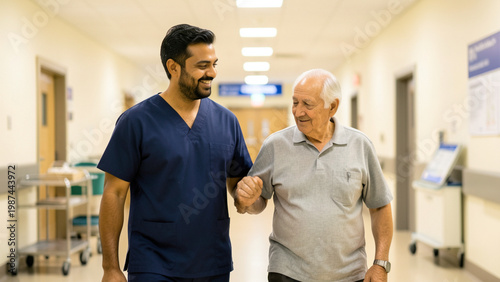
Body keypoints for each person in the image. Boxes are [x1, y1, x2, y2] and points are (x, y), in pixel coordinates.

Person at [97, 24, 253, 282]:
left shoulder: (227, 121)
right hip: (153, 263)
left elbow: (239, 185)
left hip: (212, 261)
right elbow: (114, 193)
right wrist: (110, 267)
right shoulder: (136, 122)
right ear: (173, 67)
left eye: (214, 63)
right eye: (202, 65)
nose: (212, 73)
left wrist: (247, 196)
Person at [235, 69, 394, 282]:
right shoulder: (275, 146)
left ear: (333, 107)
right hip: (287, 271)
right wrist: (246, 200)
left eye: (307, 104)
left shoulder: (360, 145)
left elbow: (380, 205)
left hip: (349, 273)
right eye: (295, 102)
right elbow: (258, 201)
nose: (298, 112)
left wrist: (380, 263)